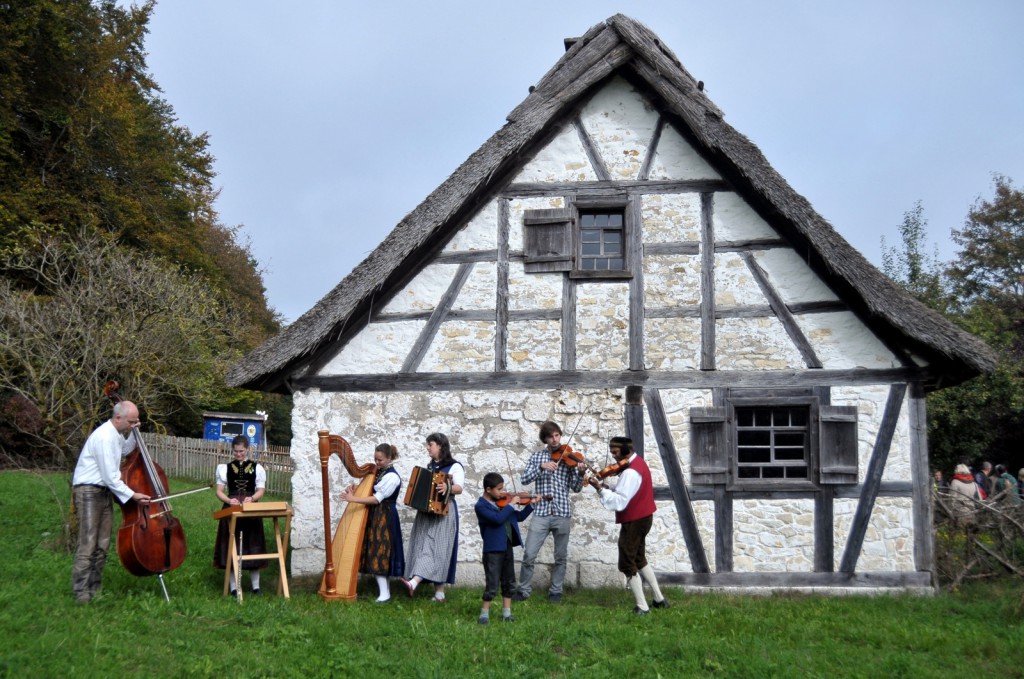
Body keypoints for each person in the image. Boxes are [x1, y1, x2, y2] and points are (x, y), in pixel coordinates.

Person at [71, 401, 151, 603]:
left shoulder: (116, 435)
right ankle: (81, 592)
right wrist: (133, 495)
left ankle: (95, 589)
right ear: (118, 418)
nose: (133, 424)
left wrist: (134, 432)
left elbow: (125, 450)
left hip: (104, 491)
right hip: (89, 490)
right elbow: (109, 476)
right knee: (88, 542)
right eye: (131, 422)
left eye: (135, 422)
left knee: (102, 544)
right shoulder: (105, 436)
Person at [585, 436, 669, 615]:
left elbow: (620, 502)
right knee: (639, 558)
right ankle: (659, 599)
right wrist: (607, 488)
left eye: (615, 453)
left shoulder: (630, 472)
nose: (613, 457)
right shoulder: (638, 462)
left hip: (635, 520)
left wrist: (599, 489)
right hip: (644, 517)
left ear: (625, 450)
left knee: (627, 561)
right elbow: (626, 492)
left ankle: (642, 606)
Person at [513, 421, 585, 604]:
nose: (554, 440)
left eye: (557, 435)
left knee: (560, 557)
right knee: (529, 554)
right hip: (541, 512)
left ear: (560, 435)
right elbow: (525, 478)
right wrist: (541, 467)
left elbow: (576, 488)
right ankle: (523, 590)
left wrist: (580, 473)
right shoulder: (537, 457)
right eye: (550, 436)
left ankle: (556, 592)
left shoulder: (569, 458)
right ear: (544, 439)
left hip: (562, 512)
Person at [400, 432, 464, 602]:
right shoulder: (430, 468)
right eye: (428, 445)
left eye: (431, 445)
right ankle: (439, 593)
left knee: (436, 548)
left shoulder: (454, 466)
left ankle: (414, 582)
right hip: (426, 513)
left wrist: (448, 487)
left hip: (444, 512)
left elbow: (459, 488)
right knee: (424, 545)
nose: (428, 448)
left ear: (441, 446)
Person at [339, 443, 405, 602]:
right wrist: (356, 488)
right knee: (377, 551)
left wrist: (353, 499)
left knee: (380, 552)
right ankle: (384, 592)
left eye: (380, 460)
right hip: (376, 516)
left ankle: (385, 594)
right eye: (375, 459)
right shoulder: (380, 473)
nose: (377, 462)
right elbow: (371, 490)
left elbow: (377, 498)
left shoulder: (392, 477)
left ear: (389, 458)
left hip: (385, 517)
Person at [474, 473, 534, 624]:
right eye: (499, 489)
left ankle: (506, 613)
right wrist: (511, 504)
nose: (503, 492)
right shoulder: (481, 506)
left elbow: (518, 517)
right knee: (492, 582)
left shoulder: (504, 504)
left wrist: (532, 504)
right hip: (492, 549)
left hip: (506, 546)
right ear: (488, 489)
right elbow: (497, 520)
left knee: (509, 580)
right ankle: (484, 614)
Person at [213, 435, 267, 596]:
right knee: (231, 545)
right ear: (233, 450)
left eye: (242, 451)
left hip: (251, 510)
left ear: (248, 450)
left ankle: (256, 587)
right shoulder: (224, 468)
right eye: (236, 452)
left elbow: (261, 491)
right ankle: (234, 588)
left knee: (253, 544)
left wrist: (253, 498)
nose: (239, 454)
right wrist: (230, 500)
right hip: (231, 508)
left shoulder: (257, 468)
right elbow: (219, 491)